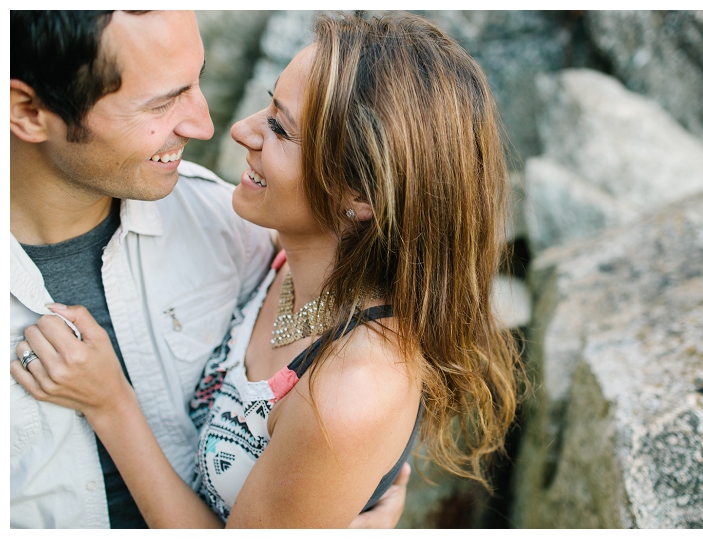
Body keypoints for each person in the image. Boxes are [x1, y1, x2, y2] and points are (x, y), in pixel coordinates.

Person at [13, 10, 523, 528]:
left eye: (279, 127)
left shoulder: (354, 385)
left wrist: (110, 403)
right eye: (269, 106)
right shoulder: (276, 259)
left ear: (362, 194)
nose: (234, 129)